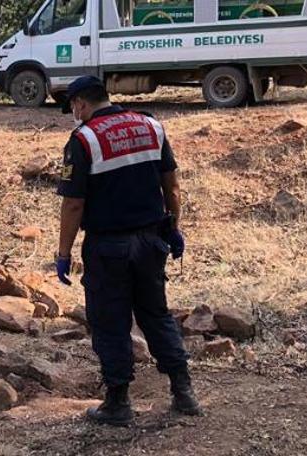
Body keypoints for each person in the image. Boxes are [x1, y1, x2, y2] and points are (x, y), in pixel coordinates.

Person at [55, 76, 201, 426]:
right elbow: (172, 185)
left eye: (73, 107)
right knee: (156, 314)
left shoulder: (84, 139)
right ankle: (184, 393)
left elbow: (74, 204)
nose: (74, 113)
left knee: (110, 323)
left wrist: (63, 252)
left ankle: (118, 403)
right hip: (152, 241)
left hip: (109, 248)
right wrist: (174, 227)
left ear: (80, 104)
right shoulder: (151, 126)